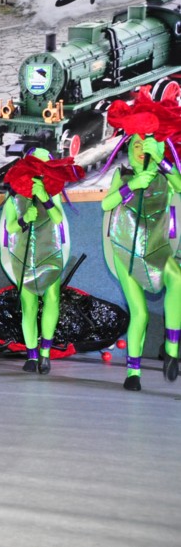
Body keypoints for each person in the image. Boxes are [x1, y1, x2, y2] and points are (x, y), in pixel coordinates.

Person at [101, 114, 181, 391]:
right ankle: (133, 372)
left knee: (178, 279)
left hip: (157, 249)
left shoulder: (166, 175)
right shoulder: (122, 175)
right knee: (140, 314)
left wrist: (162, 161)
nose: (140, 148)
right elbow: (106, 204)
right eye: (136, 143)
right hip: (126, 251)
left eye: (146, 144)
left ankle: (172, 349)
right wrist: (131, 186)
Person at [0, 149, 80, 376]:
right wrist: (24, 218)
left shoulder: (53, 193)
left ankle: (45, 352)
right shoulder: (14, 197)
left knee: (52, 299)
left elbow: (58, 218)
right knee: (29, 305)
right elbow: (10, 227)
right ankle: (32, 354)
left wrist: (46, 199)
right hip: (23, 256)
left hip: (49, 253)